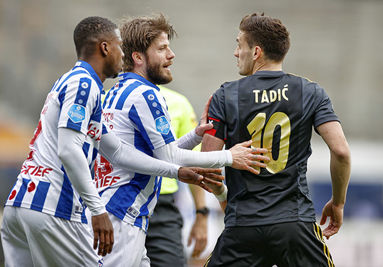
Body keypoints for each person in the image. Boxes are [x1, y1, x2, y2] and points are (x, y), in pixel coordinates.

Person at [0, 16, 224, 267]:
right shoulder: (85, 84)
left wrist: (179, 165)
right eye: (120, 46)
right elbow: (68, 149)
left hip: (19, 202)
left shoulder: (81, 86)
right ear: (105, 48)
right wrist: (97, 210)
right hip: (54, 206)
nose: (123, 54)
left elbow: (119, 152)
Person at [96, 14, 269, 267]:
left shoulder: (115, 92)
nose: (171, 55)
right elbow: (169, 158)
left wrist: (195, 135)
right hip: (123, 212)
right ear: (138, 57)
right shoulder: (145, 94)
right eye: (162, 48)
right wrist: (231, 157)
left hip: (116, 208)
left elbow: (155, 155)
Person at [202, 13, 351, 267]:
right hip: (295, 225)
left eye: (239, 45)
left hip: (243, 226)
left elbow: (207, 166)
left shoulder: (225, 96)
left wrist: (225, 199)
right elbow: (341, 152)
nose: (236, 53)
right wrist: (338, 203)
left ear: (256, 51)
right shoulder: (310, 92)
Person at [145, 85, 209, 267]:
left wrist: (201, 215)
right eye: (161, 52)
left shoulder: (178, 103)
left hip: (162, 207)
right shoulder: (108, 100)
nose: (170, 55)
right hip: (119, 205)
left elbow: (193, 164)